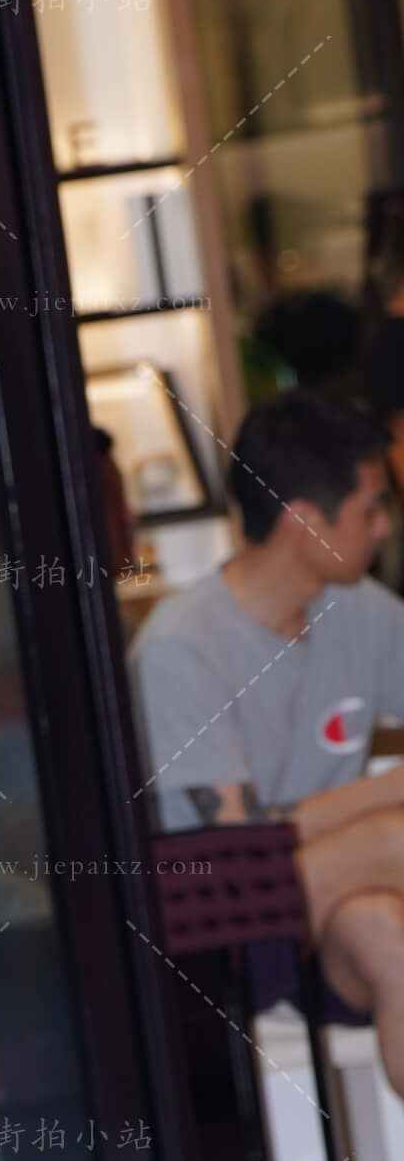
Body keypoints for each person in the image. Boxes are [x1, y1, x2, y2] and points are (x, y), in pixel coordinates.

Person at [129, 390, 404, 1091]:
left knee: (385, 932)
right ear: (304, 522)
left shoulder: (361, 611)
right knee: (391, 838)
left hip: (323, 908)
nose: (385, 527)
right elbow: (240, 841)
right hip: (212, 921)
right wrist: (384, 795)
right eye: (371, 509)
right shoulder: (180, 647)